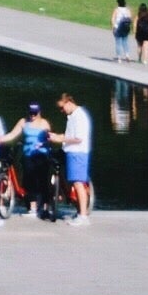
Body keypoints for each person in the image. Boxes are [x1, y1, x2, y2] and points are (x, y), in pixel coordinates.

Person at [0, 102, 58, 221]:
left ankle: (45, 208)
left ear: (39, 112)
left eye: (35, 113)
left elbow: (49, 138)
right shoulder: (23, 122)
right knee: (29, 180)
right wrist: (0, 139)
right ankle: (32, 208)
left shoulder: (44, 123)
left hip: (41, 154)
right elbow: (12, 134)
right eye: (31, 113)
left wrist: (43, 143)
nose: (32, 115)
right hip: (28, 155)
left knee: (42, 181)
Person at [56, 94, 94, 224]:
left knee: (78, 183)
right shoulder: (72, 116)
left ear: (68, 102)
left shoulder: (79, 116)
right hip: (72, 152)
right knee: (75, 183)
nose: (61, 111)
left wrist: (62, 139)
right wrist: (57, 136)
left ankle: (83, 216)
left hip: (78, 153)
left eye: (62, 107)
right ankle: (80, 213)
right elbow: (69, 135)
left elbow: (78, 138)